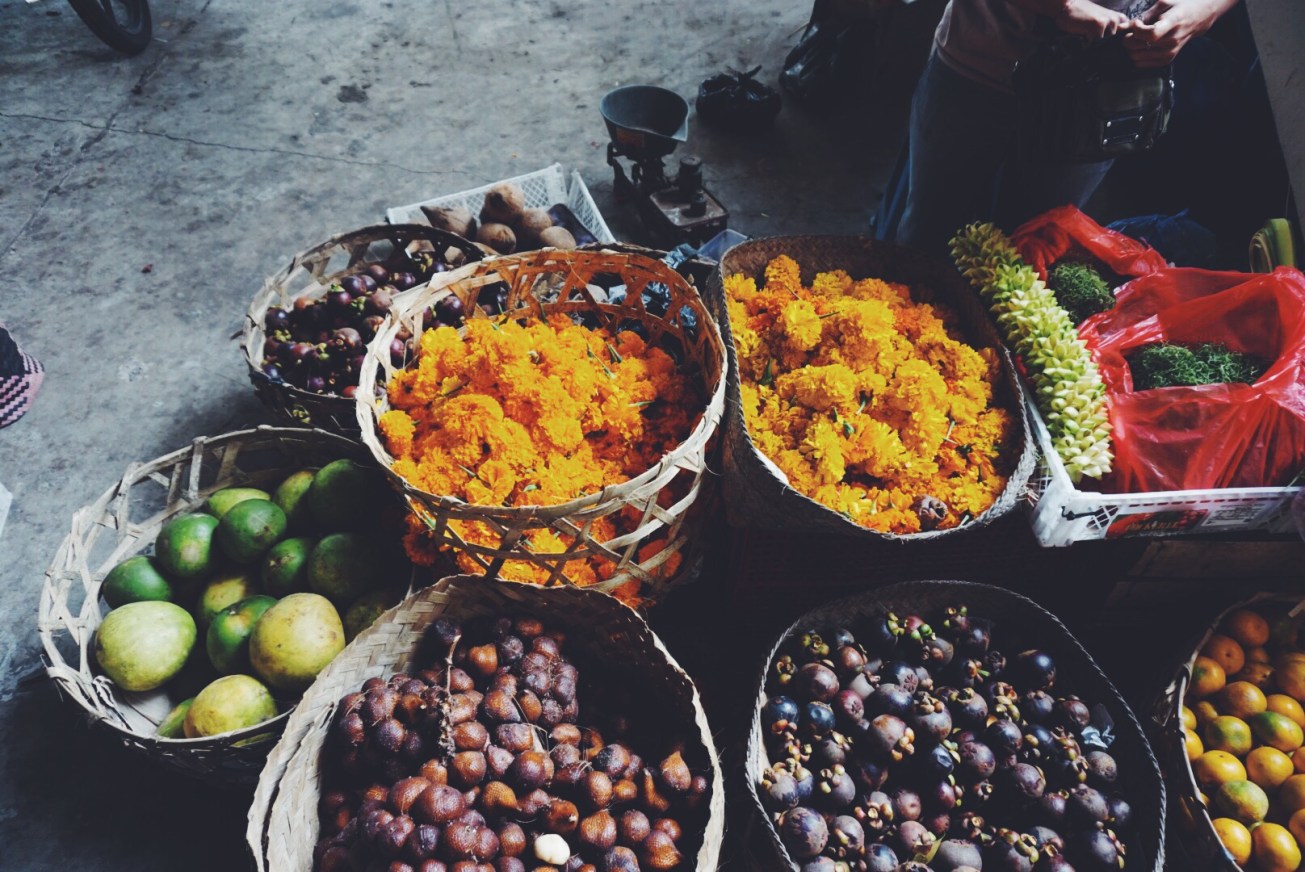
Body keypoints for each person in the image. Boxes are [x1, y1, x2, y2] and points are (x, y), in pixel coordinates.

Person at [873, 0, 1242, 257]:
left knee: (1031, 246)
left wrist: (1201, 10)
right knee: (929, 235)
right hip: (980, 64)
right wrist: (1059, 6)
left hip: (1104, 92)